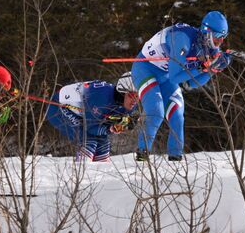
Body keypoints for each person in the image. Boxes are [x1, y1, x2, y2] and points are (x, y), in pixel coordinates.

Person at [131, 11, 229, 161]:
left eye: (222, 40)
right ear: (207, 33)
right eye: (217, 40)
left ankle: (175, 159)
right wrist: (202, 68)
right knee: (156, 111)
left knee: (177, 115)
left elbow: (191, 83)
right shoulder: (182, 39)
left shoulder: (208, 46)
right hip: (146, 69)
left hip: (166, 75)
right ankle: (142, 155)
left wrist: (213, 70)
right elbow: (176, 77)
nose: (218, 44)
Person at [45, 76, 139, 162]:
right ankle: (82, 172)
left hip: (84, 113)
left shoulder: (129, 104)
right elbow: (91, 128)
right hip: (58, 107)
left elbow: (121, 120)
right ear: (122, 93)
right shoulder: (101, 99)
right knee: (88, 139)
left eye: (137, 96)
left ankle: (99, 173)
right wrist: (110, 128)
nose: (135, 101)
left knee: (103, 143)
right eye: (131, 95)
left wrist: (128, 122)